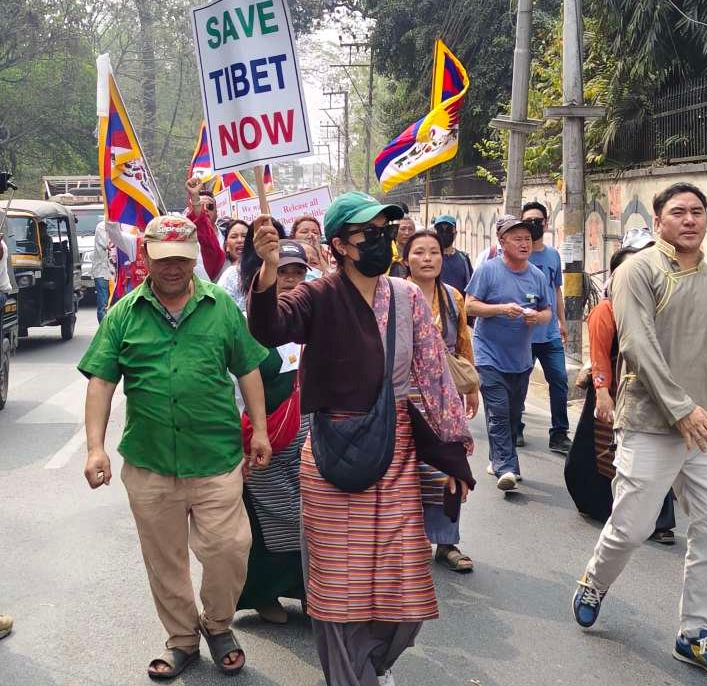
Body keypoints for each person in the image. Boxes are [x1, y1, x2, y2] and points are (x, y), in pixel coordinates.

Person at [248, 191, 474, 686]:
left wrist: (454, 455)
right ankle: (350, 677)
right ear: (339, 245)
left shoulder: (408, 297)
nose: (379, 240)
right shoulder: (317, 295)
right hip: (331, 453)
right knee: (337, 586)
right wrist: (266, 271)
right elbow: (270, 327)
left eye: (384, 231)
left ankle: (372, 665)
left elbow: (434, 377)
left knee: (402, 589)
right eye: (367, 233)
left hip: (397, 453)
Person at [78, 215, 271, 680]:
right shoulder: (124, 313)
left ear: (194, 257)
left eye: (181, 259)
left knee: (229, 548)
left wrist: (260, 431)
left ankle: (218, 624)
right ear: (146, 256)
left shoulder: (221, 307)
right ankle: (182, 638)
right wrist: (95, 448)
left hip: (216, 458)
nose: (172, 268)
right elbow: (101, 381)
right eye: (163, 259)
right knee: (165, 560)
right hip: (150, 462)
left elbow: (247, 368)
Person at [572, 183, 707, 681]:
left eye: (697, 212)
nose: (689, 220)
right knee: (632, 527)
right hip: (651, 423)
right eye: (678, 212)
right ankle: (594, 581)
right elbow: (638, 345)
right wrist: (681, 409)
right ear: (658, 219)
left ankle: (695, 634)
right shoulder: (637, 271)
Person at [564, 230, 677, 544]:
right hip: (613, 392)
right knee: (605, 454)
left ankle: (660, 521)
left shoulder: (663, 307)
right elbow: (600, 354)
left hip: (656, 391)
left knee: (656, 453)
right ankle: (608, 509)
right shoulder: (607, 309)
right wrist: (602, 392)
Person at [236, 239, 310, 624]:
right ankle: (262, 596)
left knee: (310, 515)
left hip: (310, 435)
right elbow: (234, 385)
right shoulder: (245, 323)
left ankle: (311, 592)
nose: (291, 280)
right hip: (262, 438)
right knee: (266, 518)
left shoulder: (314, 318)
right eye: (283, 272)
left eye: (298, 272)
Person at [404, 230, 478, 572]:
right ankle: (406, 539)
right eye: (419, 252)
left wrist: (471, 386)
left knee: (449, 462)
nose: (427, 258)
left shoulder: (452, 296)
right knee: (407, 466)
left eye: (433, 252)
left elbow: (462, 341)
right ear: (406, 260)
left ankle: (447, 541)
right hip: (405, 390)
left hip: (444, 391)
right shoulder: (394, 293)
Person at [466, 215, 552, 492]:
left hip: (521, 359)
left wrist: (537, 318)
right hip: (488, 355)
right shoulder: (488, 271)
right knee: (499, 412)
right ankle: (507, 468)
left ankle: (497, 459)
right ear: (502, 242)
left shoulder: (537, 276)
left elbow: (547, 311)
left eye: (527, 239)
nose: (524, 243)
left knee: (513, 416)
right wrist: (501, 309)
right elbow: (470, 306)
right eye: (517, 239)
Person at [518, 201, 571, 453]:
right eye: (528, 221)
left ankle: (559, 434)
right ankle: (515, 427)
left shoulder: (553, 255)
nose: (533, 225)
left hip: (549, 334)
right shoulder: (518, 255)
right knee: (519, 384)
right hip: (523, 335)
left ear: (546, 223)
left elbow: (556, 290)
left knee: (559, 380)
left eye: (538, 221)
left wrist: (562, 322)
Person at [219, 219, 286, 314]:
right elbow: (222, 311)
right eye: (262, 239)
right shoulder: (232, 275)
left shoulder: (295, 270)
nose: (268, 244)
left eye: (273, 239)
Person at [186, 177, 228, 281]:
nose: (204, 210)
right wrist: (195, 197)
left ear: (217, 212)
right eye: (200, 206)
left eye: (210, 206)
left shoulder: (229, 235)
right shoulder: (183, 238)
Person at [433, 214, 473, 295]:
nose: (444, 234)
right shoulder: (430, 258)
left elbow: (471, 286)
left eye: (448, 230)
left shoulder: (464, 259)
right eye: (440, 230)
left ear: (455, 233)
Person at [91, 220, 111, 322]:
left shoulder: (121, 226)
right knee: (103, 304)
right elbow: (108, 245)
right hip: (102, 271)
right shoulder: (102, 226)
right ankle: (104, 329)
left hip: (115, 272)